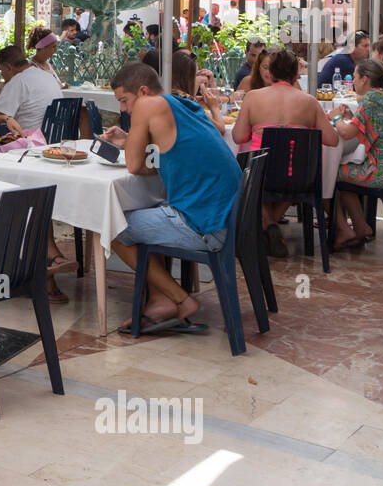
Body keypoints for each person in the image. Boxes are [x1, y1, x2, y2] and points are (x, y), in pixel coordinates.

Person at [100, 62, 242, 333]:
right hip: (226, 219)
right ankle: (161, 300)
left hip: (207, 226)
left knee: (110, 226)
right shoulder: (184, 106)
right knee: (144, 212)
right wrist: (129, 139)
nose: (123, 109)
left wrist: (131, 144)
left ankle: (180, 299)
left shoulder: (147, 105)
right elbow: (156, 161)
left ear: (142, 91)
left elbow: (133, 166)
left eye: (124, 101)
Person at [231, 48, 339, 254]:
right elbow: (332, 140)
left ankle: (268, 224)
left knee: (242, 169)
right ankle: (271, 224)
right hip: (298, 177)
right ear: (296, 74)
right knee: (295, 168)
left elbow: (237, 137)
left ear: (269, 73)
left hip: (259, 175)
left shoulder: (253, 98)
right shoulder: (309, 102)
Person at [332, 59, 383, 248]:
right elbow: (379, 125)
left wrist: (335, 117)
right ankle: (361, 227)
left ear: (365, 79)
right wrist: (351, 119)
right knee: (345, 174)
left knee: (329, 175)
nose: (352, 81)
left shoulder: (371, 98)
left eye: (354, 77)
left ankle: (344, 229)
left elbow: (345, 133)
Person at [0, 45, 64, 134]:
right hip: (55, 135)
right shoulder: (47, 76)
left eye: (1, 69)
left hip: (30, 139)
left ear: (8, 67)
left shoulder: (18, 81)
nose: (2, 74)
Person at [171, 51, 226, 134]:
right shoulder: (188, 102)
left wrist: (195, 98)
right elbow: (220, 130)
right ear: (190, 77)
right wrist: (214, 108)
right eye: (197, 74)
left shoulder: (168, 94)